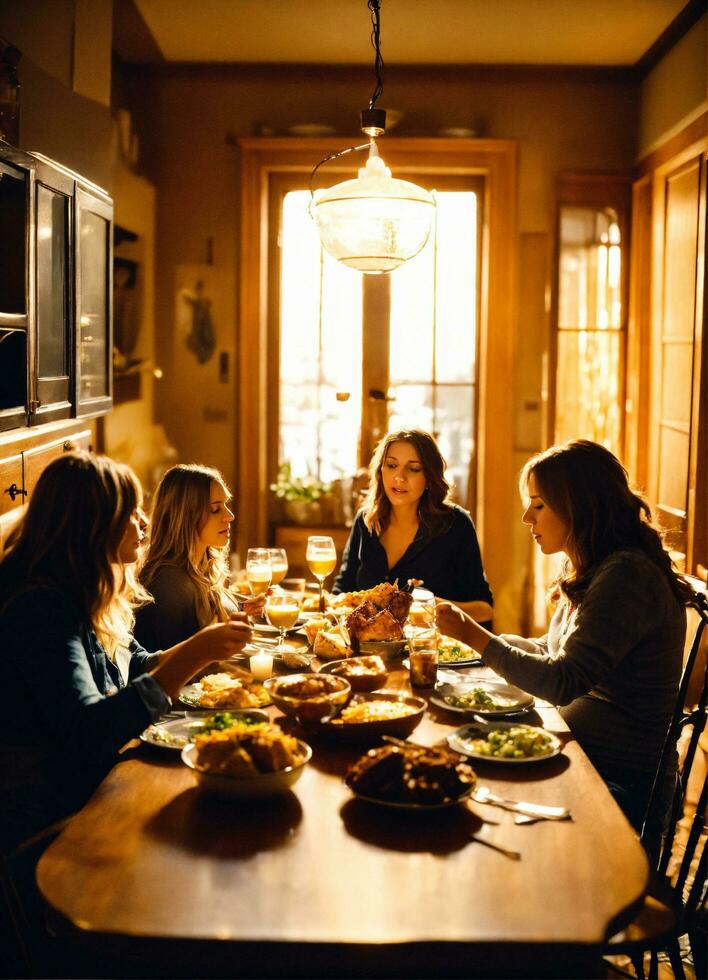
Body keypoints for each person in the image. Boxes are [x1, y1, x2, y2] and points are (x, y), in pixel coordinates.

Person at [0, 451, 251, 849]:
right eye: (131, 512)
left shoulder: (86, 589)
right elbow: (89, 732)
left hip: (101, 782)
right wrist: (192, 656)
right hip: (54, 816)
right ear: (91, 525)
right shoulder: (40, 608)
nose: (145, 522)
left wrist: (204, 648)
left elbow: (138, 664)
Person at [437, 439, 691, 832]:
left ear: (579, 507)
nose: (526, 517)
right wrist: (467, 646)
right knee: (459, 760)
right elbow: (551, 649)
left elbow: (562, 681)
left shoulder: (626, 577)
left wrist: (476, 638)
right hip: (579, 753)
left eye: (538, 504)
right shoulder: (595, 566)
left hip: (620, 782)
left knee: (474, 795)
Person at [333, 429, 493, 621]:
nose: (399, 477)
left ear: (429, 477)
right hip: (367, 649)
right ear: (380, 471)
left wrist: (432, 606)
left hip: (431, 647)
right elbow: (341, 593)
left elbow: (484, 610)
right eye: (392, 465)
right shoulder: (365, 520)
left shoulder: (455, 525)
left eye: (414, 468)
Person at [134, 463, 261, 651]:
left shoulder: (201, 563)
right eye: (215, 509)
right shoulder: (168, 585)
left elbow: (201, 623)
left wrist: (241, 609)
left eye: (226, 505)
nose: (230, 516)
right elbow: (176, 667)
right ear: (186, 516)